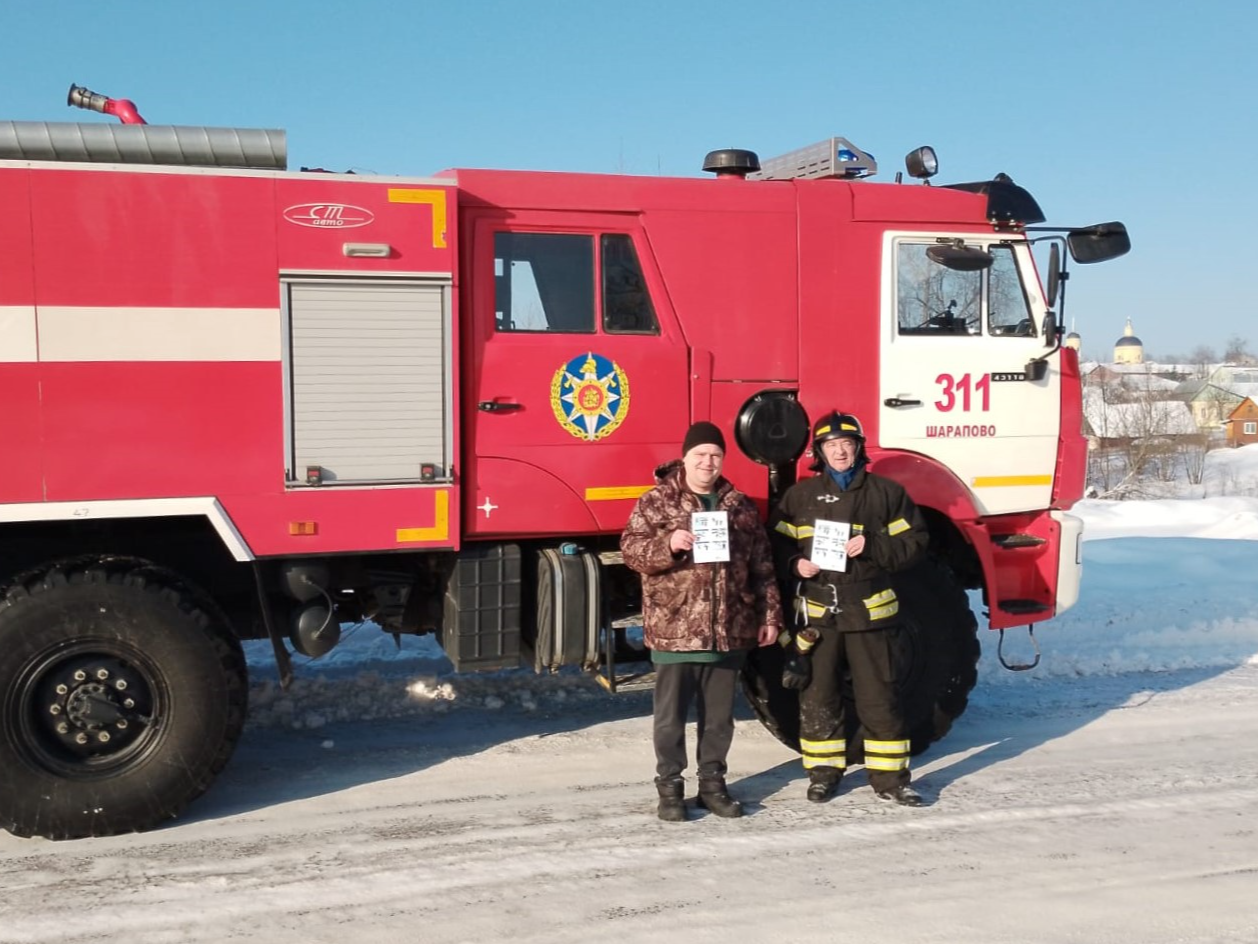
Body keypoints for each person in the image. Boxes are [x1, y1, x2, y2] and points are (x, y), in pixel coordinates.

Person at [621, 421, 782, 822]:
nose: (707, 462)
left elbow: (762, 567)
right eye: (700, 455)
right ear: (686, 458)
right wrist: (669, 545)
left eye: (714, 455)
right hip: (674, 628)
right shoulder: (657, 501)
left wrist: (769, 616)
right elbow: (632, 551)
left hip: (727, 629)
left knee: (719, 720)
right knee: (670, 718)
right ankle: (670, 790)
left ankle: (713, 786)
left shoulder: (739, 506)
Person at [769, 410, 928, 806]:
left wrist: (872, 546)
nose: (840, 451)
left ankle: (891, 778)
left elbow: (915, 544)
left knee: (880, 697)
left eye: (846, 444)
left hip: (870, 614)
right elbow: (775, 546)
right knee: (818, 696)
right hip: (819, 616)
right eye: (831, 445)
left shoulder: (887, 495)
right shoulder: (799, 497)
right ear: (818, 452)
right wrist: (794, 564)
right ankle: (823, 773)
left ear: (858, 448)